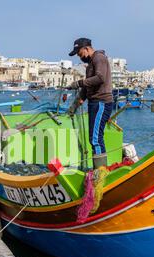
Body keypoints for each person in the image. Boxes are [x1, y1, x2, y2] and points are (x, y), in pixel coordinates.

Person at [67, 38, 114, 169]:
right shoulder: (90, 64)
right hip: (94, 103)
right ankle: (98, 170)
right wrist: (76, 103)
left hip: (101, 103)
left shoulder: (99, 58)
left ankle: (101, 172)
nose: (79, 56)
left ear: (86, 48)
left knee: (96, 139)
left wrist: (79, 82)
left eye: (79, 53)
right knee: (94, 138)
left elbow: (100, 78)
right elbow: (87, 87)